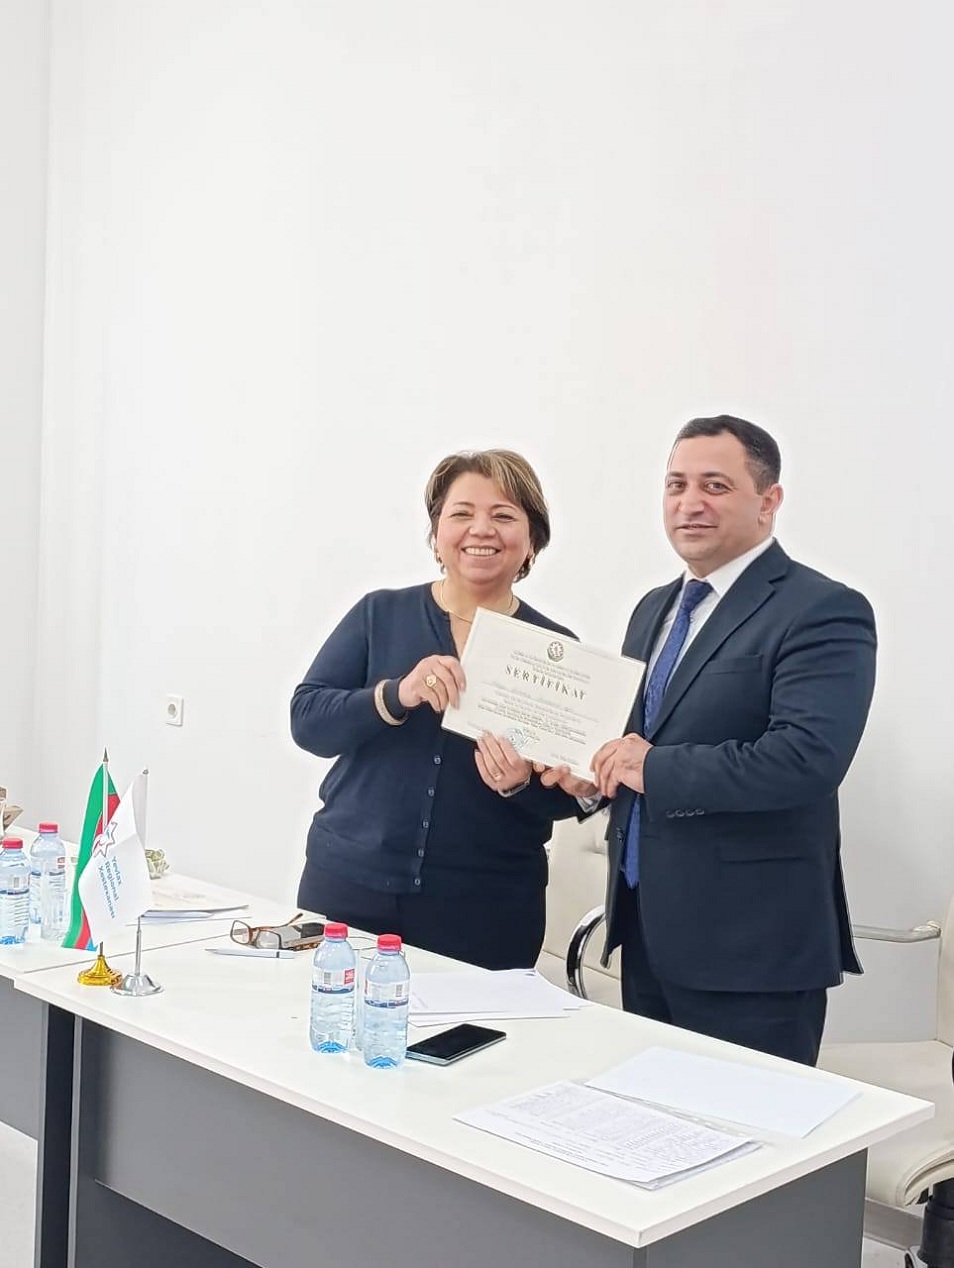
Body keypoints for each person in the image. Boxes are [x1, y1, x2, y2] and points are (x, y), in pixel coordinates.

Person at [545, 415, 876, 1064]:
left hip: (753, 951)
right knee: (653, 1119)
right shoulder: (653, 608)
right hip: (645, 933)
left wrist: (651, 767)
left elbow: (805, 759)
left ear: (769, 500)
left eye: (715, 485)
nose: (689, 502)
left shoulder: (821, 609)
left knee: (754, 1125)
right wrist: (596, 776)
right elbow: (637, 743)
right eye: (676, 484)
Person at [291, 449, 580, 971]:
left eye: (504, 515)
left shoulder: (555, 650)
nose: (481, 529)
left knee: (477, 1026)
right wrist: (394, 695)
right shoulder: (380, 613)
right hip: (349, 885)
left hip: (487, 907)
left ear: (532, 538)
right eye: (462, 513)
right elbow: (308, 721)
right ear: (437, 532)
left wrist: (520, 784)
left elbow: (569, 795)